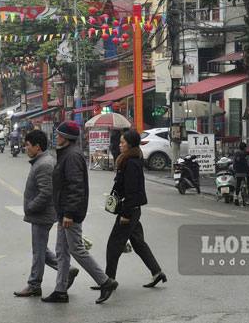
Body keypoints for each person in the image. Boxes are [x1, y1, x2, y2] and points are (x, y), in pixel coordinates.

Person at [42, 120, 118, 305]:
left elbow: (76, 187)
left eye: (59, 134)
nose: (56, 136)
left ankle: (105, 281)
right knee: (61, 251)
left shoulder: (72, 156)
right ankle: (61, 290)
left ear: (66, 137)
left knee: (76, 249)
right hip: (63, 212)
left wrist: (69, 213)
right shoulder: (67, 153)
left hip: (70, 213)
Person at [14, 130, 79, 298]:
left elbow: (46, 192)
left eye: (28, 145)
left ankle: (34, 284)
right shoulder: (43, 161)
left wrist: (30, 206)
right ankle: (67, 269)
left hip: (42, 214)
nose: (25, 148)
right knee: (41, 249)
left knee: (38, 251)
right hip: (42, 213)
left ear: (37, 147)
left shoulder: (43, 164)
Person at [100, 130, 166, 289]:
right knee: (138, 243)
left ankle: (108, 281)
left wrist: (125, 214)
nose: (119, 145)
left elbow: (132, 192)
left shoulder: (131, 163)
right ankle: (157, 272)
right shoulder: (129, 161)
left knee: (113, 245)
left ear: (130, 144)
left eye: (122, 142)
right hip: (132, 209)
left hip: (129, 210)